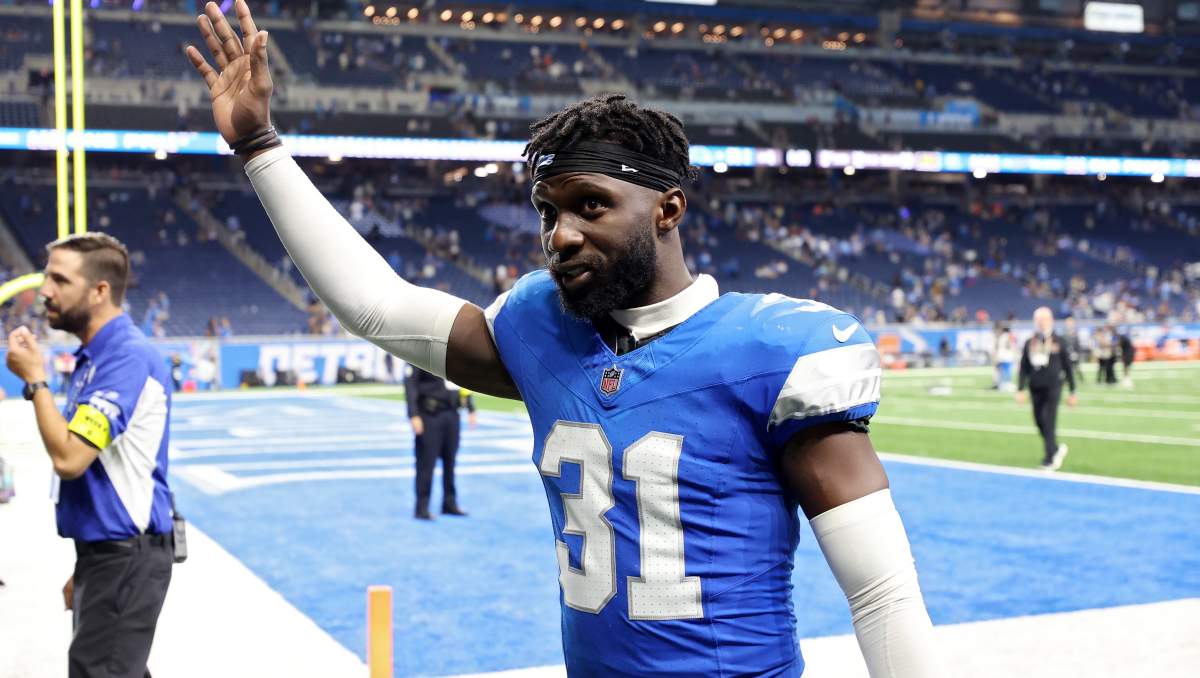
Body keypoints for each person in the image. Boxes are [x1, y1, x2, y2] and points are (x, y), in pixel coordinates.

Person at [186, 4, 944, 675]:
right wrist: (260, 146)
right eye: (548, 212)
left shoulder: (774, 350)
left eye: (591, 205)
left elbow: (881, 592)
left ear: (668, 209)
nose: (562, 235)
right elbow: (378, 307)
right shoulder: (542, 327)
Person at [5, 233, 176, 678]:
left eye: (60, 280)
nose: (45, 291)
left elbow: (70, 458)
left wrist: (36, 380)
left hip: (126, 555)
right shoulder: (98, 356)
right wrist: (88, 565)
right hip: (110, 555)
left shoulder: (124, 357)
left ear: (100, 290)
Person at [404, 364, 476, 520]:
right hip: (429, 415)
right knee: (426, 463)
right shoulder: (421, 352)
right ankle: (422, 508)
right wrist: (413, 414)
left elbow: (463, 382)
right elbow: (410, 383)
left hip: (452, 413)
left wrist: (471, 407)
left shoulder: (455, 355)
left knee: (450, 462)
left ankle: (449, 503)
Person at [1016, 307, 1078, 471]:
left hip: (1053, 386)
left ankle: (1049, 457)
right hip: (1035, 386)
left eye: (1044, 319)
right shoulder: (1030, 342)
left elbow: (1068, 367)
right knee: (1039, 421)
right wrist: (1020, 389)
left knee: (1049, 421)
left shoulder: (1059, 341)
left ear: (1051, 320)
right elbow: (1024, 367)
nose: (1042, 323)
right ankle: (1055, 448)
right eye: (1039, 320)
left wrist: (1072, 391)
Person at [993, 325, 1017, 391]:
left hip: (1001, 356)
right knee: (1007, 371)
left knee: (1001, 371)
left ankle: (1000, 384)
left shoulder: (1000, 337)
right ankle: (1006, 385)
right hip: (1007, 356)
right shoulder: (1008, 336)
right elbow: (1010, 346)